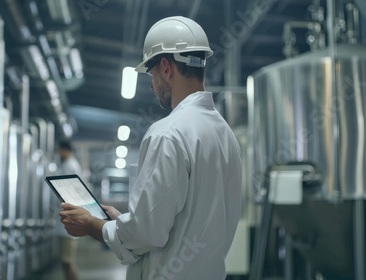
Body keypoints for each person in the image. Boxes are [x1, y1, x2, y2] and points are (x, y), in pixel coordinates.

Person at [59, 16, 242, 279]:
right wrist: (121, 221)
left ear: (166, 68)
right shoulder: (226, 135)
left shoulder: (168, 133)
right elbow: (178, 220)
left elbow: (144, 234)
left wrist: (92, 225)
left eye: (151, 73)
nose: (151, 84)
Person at [54, 140, 83, 280]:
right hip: (67, 220)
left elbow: (69, 194)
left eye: (58, 150)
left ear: (64, 149)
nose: (58, 153)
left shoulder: (70, 166)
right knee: (66, 260)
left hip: (68, 220)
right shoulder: (70, 164)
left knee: (68, 260)